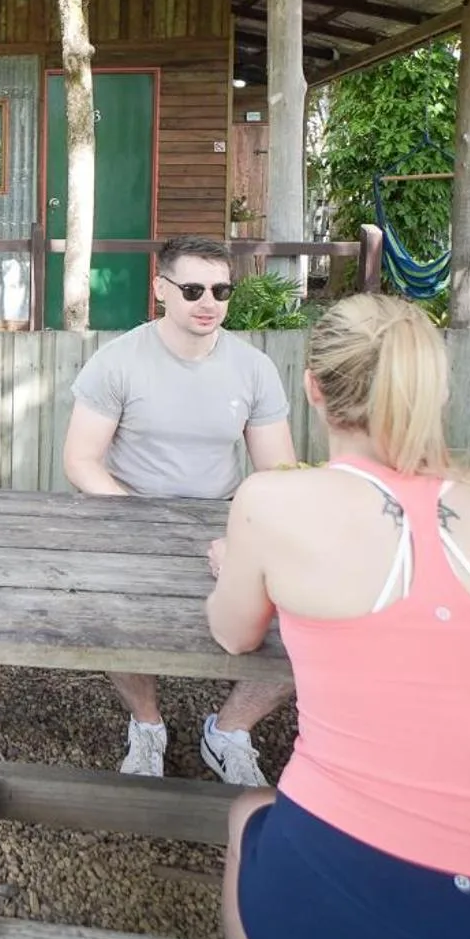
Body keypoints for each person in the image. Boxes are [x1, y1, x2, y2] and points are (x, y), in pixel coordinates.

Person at [205, 294, 470, 939]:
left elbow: (234, 633)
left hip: (341, 874)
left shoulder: (272, 500)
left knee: (244, 810)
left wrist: (235, 563)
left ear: (313, 388)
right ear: (435, 387)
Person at [62, 235, 300, 784]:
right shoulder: (118, 360)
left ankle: (231, 729)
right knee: (110, 611)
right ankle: (147, 723)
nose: (207, 302)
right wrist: (143, 519)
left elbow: (278, 474)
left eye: (220, 289)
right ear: (160, 289)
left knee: (314, 610)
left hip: (225, 516)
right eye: (192, 288)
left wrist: (251, 536)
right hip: (129, 512)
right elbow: (81, 461)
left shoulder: (253, 367)